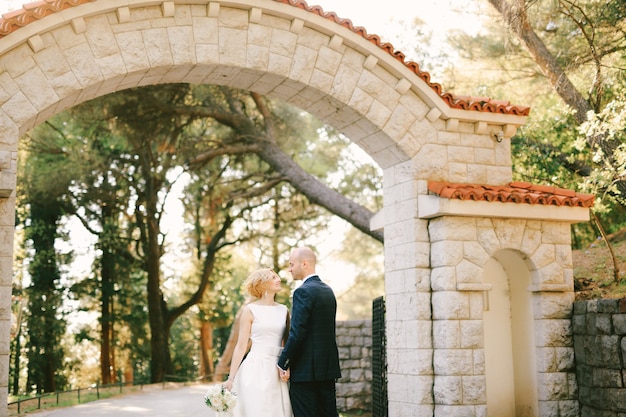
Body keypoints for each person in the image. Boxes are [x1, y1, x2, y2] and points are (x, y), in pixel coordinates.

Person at [277, 247, 342, 417]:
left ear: (304, 263)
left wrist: (282, 362)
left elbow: (297, 333)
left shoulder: (302, 292)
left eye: (291, 264)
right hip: (327, 370)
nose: (289, 269)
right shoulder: (328, 291)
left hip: (305, 373)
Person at [224, 268, 293, 417]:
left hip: (277, 368)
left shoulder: (284, 310)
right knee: (256, 409)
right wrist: (231, 378)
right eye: (273, 277)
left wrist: (287, 367)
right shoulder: (249, 310)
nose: (278, 279)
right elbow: (241, 346)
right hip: (255, 368)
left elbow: (286, 343)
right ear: (262, 283)